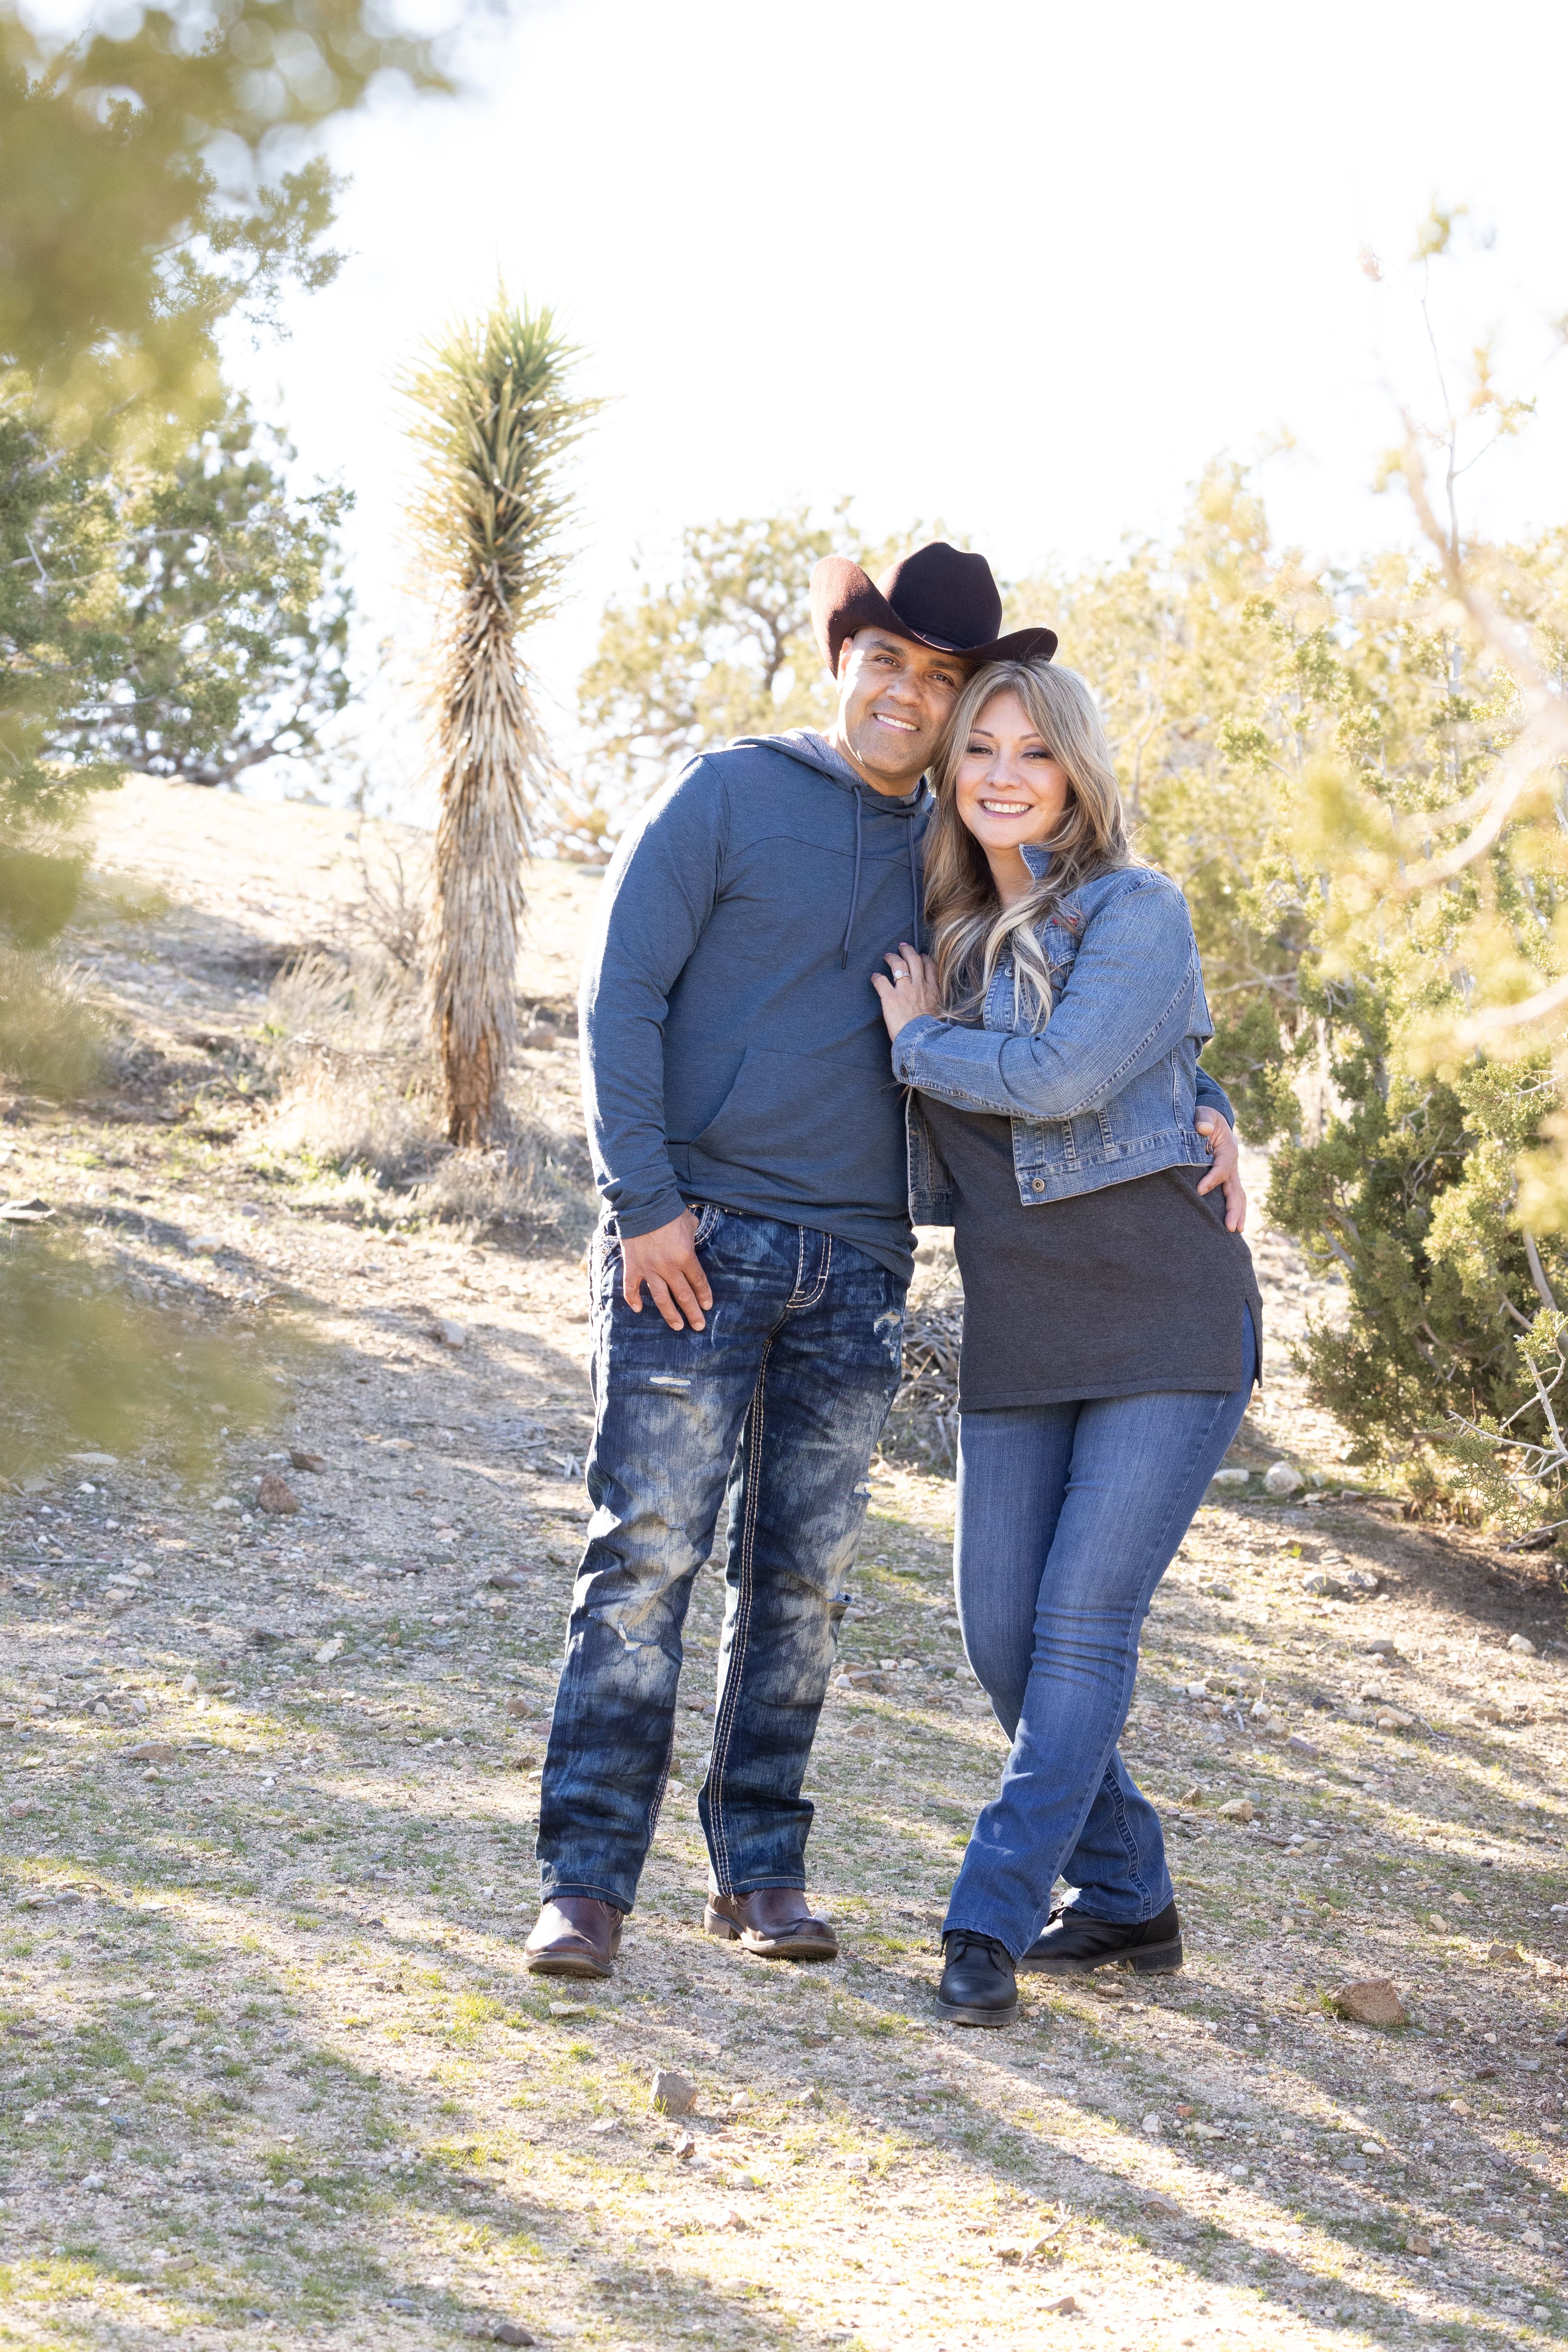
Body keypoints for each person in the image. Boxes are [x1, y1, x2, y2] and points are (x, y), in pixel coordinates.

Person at [523, 545, 1241, 1981]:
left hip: (859, 1265)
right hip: (698, 1242)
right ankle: (588, 1884)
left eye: (941, 680)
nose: (910, 699)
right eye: (887, 664)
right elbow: (619, 999)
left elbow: (1092, 1011)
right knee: (645, 1559)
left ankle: (763, 1874)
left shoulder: (955, 860)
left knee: (802, 1583)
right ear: (839, 665)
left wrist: (1212, 1110)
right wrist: (644, 1200)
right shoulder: (727, 794)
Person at [872, 655, 1261, 2028]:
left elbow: (1062, 1079)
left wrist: (920, 1045)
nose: (1000, 773)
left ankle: (987, 1920)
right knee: (999, 1638)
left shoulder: (1135, 909)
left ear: (1077, 772)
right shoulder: (944, 929)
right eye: (979, 747)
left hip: (1164, 1307)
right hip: (1024, 1318)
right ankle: (1130, 1895)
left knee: (1083, 1623)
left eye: (1032, 753)